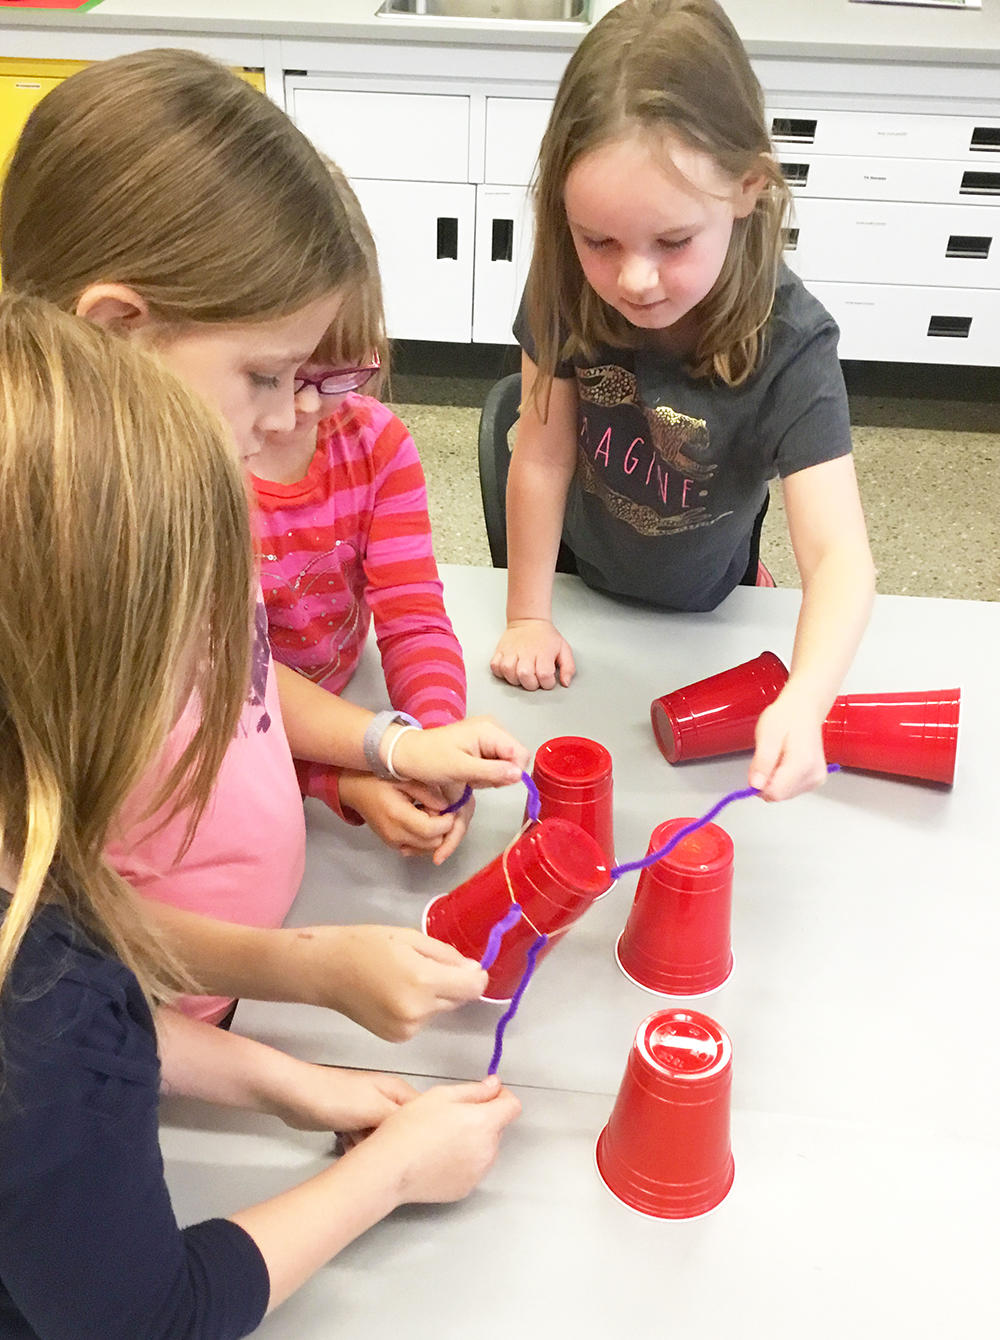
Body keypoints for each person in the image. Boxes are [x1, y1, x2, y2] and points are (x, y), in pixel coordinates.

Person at [0, 292, 520, 1340]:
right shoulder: (47, 990)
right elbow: (142, 1317)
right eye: (190, 645)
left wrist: (292, 1084)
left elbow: (105, 1038)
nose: (225, 677)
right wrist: (390, 1174)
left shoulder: (44, 938)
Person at [0, 47, 529, 1037]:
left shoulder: (184, 491)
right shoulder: (52, 586)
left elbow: (243, 689)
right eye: (265, 376)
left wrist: (381, 744)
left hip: (256, 974)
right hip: (147, 1022)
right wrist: (308, 972)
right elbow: (47, 914)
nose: (293, 418)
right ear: (117, 328)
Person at [490, 0, 875, 803]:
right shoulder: (567, 289)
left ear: (747, 188)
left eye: (672, 242)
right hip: (585, 589)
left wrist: (806, 702)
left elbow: (839, 556)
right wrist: (528, 616)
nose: (634, 278)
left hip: (714, 606)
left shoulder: (794, 344)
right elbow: (542, 451)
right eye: (598, 240)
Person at [251, 164, 472, 862]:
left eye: (338, 376)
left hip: (346, 708)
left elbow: (413, 615)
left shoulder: (377, 445)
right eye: (274, 377)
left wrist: (434, 738)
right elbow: (220, 702)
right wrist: (342, 780)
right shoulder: (197, 473)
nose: (306, 408)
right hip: (249, 749)